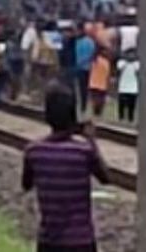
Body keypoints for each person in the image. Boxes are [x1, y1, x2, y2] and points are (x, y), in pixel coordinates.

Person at [22, 87, 111, 252]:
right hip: (81, 240)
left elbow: (26, 184)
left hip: (49, 240)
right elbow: (106, 178)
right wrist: (91, 140)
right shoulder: (84, 151)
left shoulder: (34, 151)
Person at [73, 24, 96, 114]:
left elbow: (92, 54)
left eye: (77, 30)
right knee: (76, 87)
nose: (76, 32)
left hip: (85, 68)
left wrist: (83, 62)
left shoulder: (89, 41)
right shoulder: (76, 41)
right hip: (76, 68)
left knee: (83, 88)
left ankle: (83, 106)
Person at [88, 45, 112, 118]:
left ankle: (97, 112)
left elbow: (108, 75)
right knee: (97, 100)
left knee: (99, 100)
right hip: (97, 83)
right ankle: (97, 112)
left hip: (98, 83)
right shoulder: (97, 60)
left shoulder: (106, 62)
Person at [116, 49, 139, 123]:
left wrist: (133, 62)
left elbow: (138, 70)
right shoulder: (121, 63)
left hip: (133, 88)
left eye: (132, 54)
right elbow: (119, 68)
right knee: (121, 105)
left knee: (131, 106)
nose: (131, 56)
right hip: (123, 87)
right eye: (129, 54)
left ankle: (130, 119)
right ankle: (121, 118)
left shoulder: (137, 64)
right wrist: (126, 61)